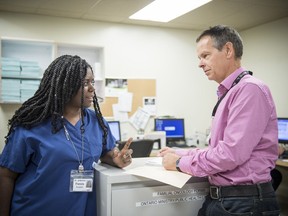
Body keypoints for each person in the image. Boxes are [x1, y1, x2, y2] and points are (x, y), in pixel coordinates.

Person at [159, 25, 280, 215]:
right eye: (199, 58)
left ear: (228, 50)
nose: (200, 63)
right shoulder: (231, 91)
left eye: (205, 56)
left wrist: (178, 163)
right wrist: (180, 153)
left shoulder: (250, 90)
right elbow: (219, 150)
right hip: (226, 198)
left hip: (244, 202)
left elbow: (230, 154)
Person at [0, 55, 133, 216]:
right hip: (34, 208)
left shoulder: (96, 122)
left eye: (92, 82)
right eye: (85, 83)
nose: (92, 88)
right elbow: (6, 175)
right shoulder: (31, 124)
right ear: (64, 85)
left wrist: (117, 159)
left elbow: (106, 153)